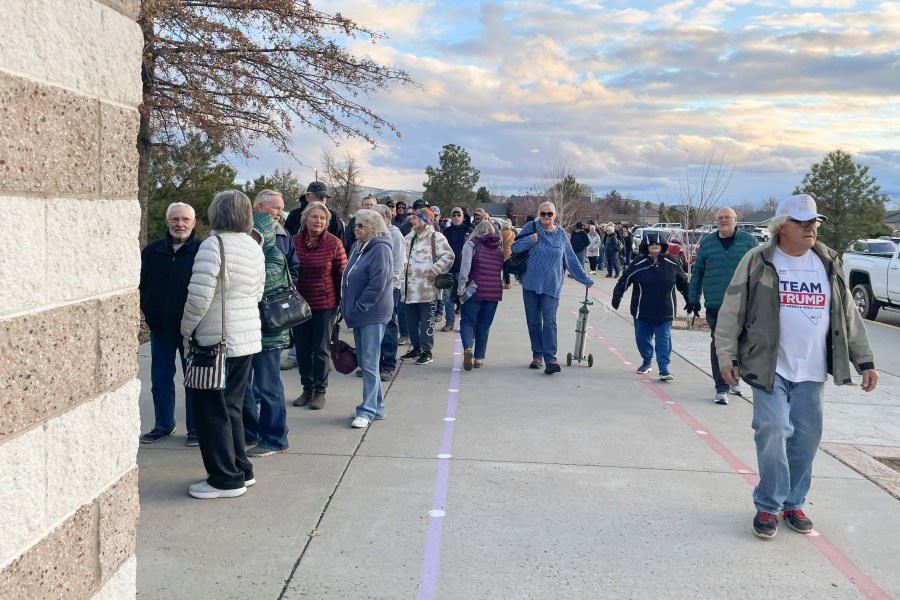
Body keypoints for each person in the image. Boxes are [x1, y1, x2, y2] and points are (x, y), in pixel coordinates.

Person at [715, 194, 878, 540]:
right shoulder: (758, 260)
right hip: (770, 366)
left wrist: (864, 360)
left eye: (813, 222)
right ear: (781, 227)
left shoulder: (827, 261)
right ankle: (768, 505)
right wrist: (725, 356)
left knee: (807, 438)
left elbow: (848, 314)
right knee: (772, 430)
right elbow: (732, 311)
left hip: (813, 370)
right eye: (802, 222)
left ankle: (793, 502)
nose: (810, 228)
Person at [180, 190, 264, 499]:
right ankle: (241, 468)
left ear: (217, 213)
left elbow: (199, 297)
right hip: (246, 337)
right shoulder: (254, 246)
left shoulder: (212, 246)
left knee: (211, 410)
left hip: (216, 338)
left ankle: (225, 478)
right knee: (233, 406)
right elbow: (258, 292)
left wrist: (186, 330)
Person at [139, 202, 201, 446]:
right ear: (167, 222)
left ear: (194, 223)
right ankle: (164, 425)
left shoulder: (202, 250)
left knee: (193, 380)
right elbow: (143, 285)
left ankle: (195, 428)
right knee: (161, 378)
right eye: (175, 219)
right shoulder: (152, 251)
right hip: (160, 328)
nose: (180, 224)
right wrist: (149, 312)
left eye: (185, 219)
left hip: (192, 329)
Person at [510, 201, 593, 374]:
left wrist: (584, 278)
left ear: (555, 216)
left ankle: (551, 359)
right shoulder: (530, 228)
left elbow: (570, 258)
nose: (546, 217)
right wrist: (529, 241)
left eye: (549, 214)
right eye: (543, 213)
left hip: (552, 285)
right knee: (533, 322)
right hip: (531, 283)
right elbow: (515, 248)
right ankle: (537, 355)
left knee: (549, 321)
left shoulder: (561, 233)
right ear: (538, 214)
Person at [686, 207, 758, 405]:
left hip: (744, 304)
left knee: (742, 344)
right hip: (716, 304)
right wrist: (693, 298)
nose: (724, 221)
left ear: (736, 220)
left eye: (727, 217)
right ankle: (721, 387)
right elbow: (698, 272)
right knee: (719, 345)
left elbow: (760, 272)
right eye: (720, 218)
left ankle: (735, 378)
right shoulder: (708, 243)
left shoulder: (749, 242)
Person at [241, 212, 291, 457]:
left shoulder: (274, 257)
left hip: (269, 334)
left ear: (265, 236)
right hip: (247, 331)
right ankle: (250, 432)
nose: (249, 239)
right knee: (244, 387)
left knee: (269, 387)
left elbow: (257, 287)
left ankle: (275, 438)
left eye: (254, 235)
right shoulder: (248, 255)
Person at [291, 201, 347, 410]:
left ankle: (320, 391)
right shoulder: (293, 241)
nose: (318, 221)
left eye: (322, 218)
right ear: (305, 219)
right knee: (302, 349)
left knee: (321, 348)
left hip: (325, 305)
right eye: (314, 217)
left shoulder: (334, 243)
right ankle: (307, 388)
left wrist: (342, 303)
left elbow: (342, 274)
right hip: (299, 305)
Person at [342, 209, 395, 428]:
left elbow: (377, 284)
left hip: (371, 313)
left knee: (370, 363)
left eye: (361, 226)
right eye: (356, 224)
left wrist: (359, 306)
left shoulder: (380, 249)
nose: (356, 228)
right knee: (366, 361)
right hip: (358, 313)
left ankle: (367, 410)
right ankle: (377, 408)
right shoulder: (358, 246)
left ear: (373, 228)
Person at [611, 231, 689, 380]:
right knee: (642, 338)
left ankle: (664, 368)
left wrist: (691, 300)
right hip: (642, 310)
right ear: (645, 246)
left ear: (663, 246)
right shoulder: (638, 263)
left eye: (657, 243)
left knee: (663, 338)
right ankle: (647, 361)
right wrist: (617, 296)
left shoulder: (672, 262)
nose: (654, 246)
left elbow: (683, 282)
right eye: (651, 243)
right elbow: (624, 280)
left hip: (665, 309)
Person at [400, 207, 454, 365]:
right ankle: (416, 348)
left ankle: (427, 351)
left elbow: (449, 256)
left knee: (426, 321)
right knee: (411, 322)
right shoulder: (409, 237)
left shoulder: (435, 237)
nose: (412, 220)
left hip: (426, 288)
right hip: (409, 289)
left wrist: (435, 270)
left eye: (416, 218)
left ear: (425, 221)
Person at [457, 220, 504, 370]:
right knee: (484, 325)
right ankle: (479, 357)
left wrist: (461, 286)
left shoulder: (471, 244)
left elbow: (465, 267)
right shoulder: (498, 248)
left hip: (474, 288)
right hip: (494, 291)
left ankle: (467, 348)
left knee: (468, 321)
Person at [439, 206, 473, 333]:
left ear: (463, 217)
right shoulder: (446, 232)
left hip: (465, 269)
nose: (456, 217)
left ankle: (464, 323)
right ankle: (449, 322)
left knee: (464, 297)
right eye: (454, 215)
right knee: (447, 296)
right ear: (451, 217)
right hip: (449, 268)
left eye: (459, 215)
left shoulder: (470, 230)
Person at [500, 220, 516, 289]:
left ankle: (506, 283)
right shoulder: (513, 233)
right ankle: (508, 283)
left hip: (504, 251)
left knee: (504, 268)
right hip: (511, 251)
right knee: (507, 268)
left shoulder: (502, 233)